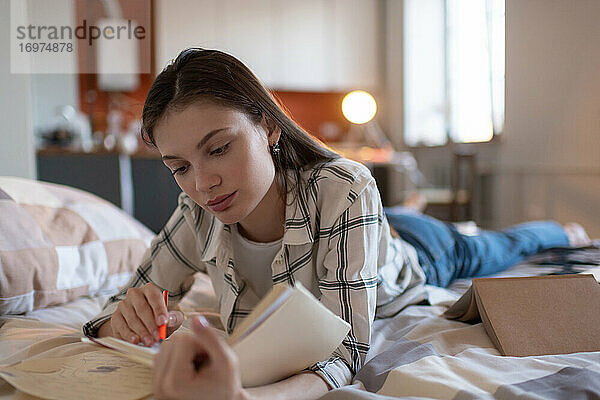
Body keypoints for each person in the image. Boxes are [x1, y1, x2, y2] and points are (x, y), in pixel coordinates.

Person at [83, 48, 590, 400]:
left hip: (417, 249)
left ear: (267, 126)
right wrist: (120, 320)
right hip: (370, 227)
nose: (202, 183)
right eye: (179, 167)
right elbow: (120, 304)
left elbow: (345, 349)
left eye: (218, 148)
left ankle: (561, 231)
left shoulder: (345, 186)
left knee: (494, 246)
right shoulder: (197, 210)